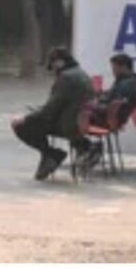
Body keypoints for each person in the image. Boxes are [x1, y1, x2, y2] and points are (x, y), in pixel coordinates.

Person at [11, 48, 95, 181]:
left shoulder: (66, 78)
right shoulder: (82, 73)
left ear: (60, 62)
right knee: (35, 119)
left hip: (68, 125)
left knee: (20, 126)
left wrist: (27, 118)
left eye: (53, 66)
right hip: (79, 121)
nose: (53, 71)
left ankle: (50, 154)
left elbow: (50, 110)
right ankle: (77, 147)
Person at [75, 53, 136, 171]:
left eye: (114, 68)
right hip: (109, 118)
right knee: (75, 117)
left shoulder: (128, 84)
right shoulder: (127, 82)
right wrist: (100, 96)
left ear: (123, 67)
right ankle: (87, 150)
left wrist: (94, 105)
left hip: (106, 120)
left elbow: (112, 105)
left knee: (71, 121)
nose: (113, 71)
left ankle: (90, 149)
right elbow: (110, 97)